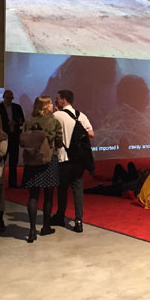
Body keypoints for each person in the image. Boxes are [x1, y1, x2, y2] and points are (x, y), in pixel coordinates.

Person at [52, 90, 94, 233]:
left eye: (57, 98)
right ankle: (78, 220)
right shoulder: (80, 115)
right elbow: (91, 134)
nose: (55, 100)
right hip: (78, 158)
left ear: (63, 100)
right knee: (77, 189)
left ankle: (60, 216)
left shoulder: (56, 115)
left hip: (63, 157)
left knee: (62, 189)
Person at [21, 96, 63, 242]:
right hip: (48, 160)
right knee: (48, 195)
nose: (53, 105)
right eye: (50, 103)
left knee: (33, 196)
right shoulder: (53, 121)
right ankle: (45, 227)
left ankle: (32, 230)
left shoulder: (29, 122)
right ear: (45, 106)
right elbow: (59, 141)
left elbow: (23, 140)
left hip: (32, 161)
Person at [0, 89, 25, 188]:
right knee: (1, 160)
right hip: (3, 137)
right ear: (4, 97)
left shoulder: (17, 107)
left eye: (11, 98)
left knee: (13, 161)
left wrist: (14, 123)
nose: (9, 100)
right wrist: (6, 124)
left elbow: (22, 120)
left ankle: (13, 183)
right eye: (8, 97)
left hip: (14, 137)